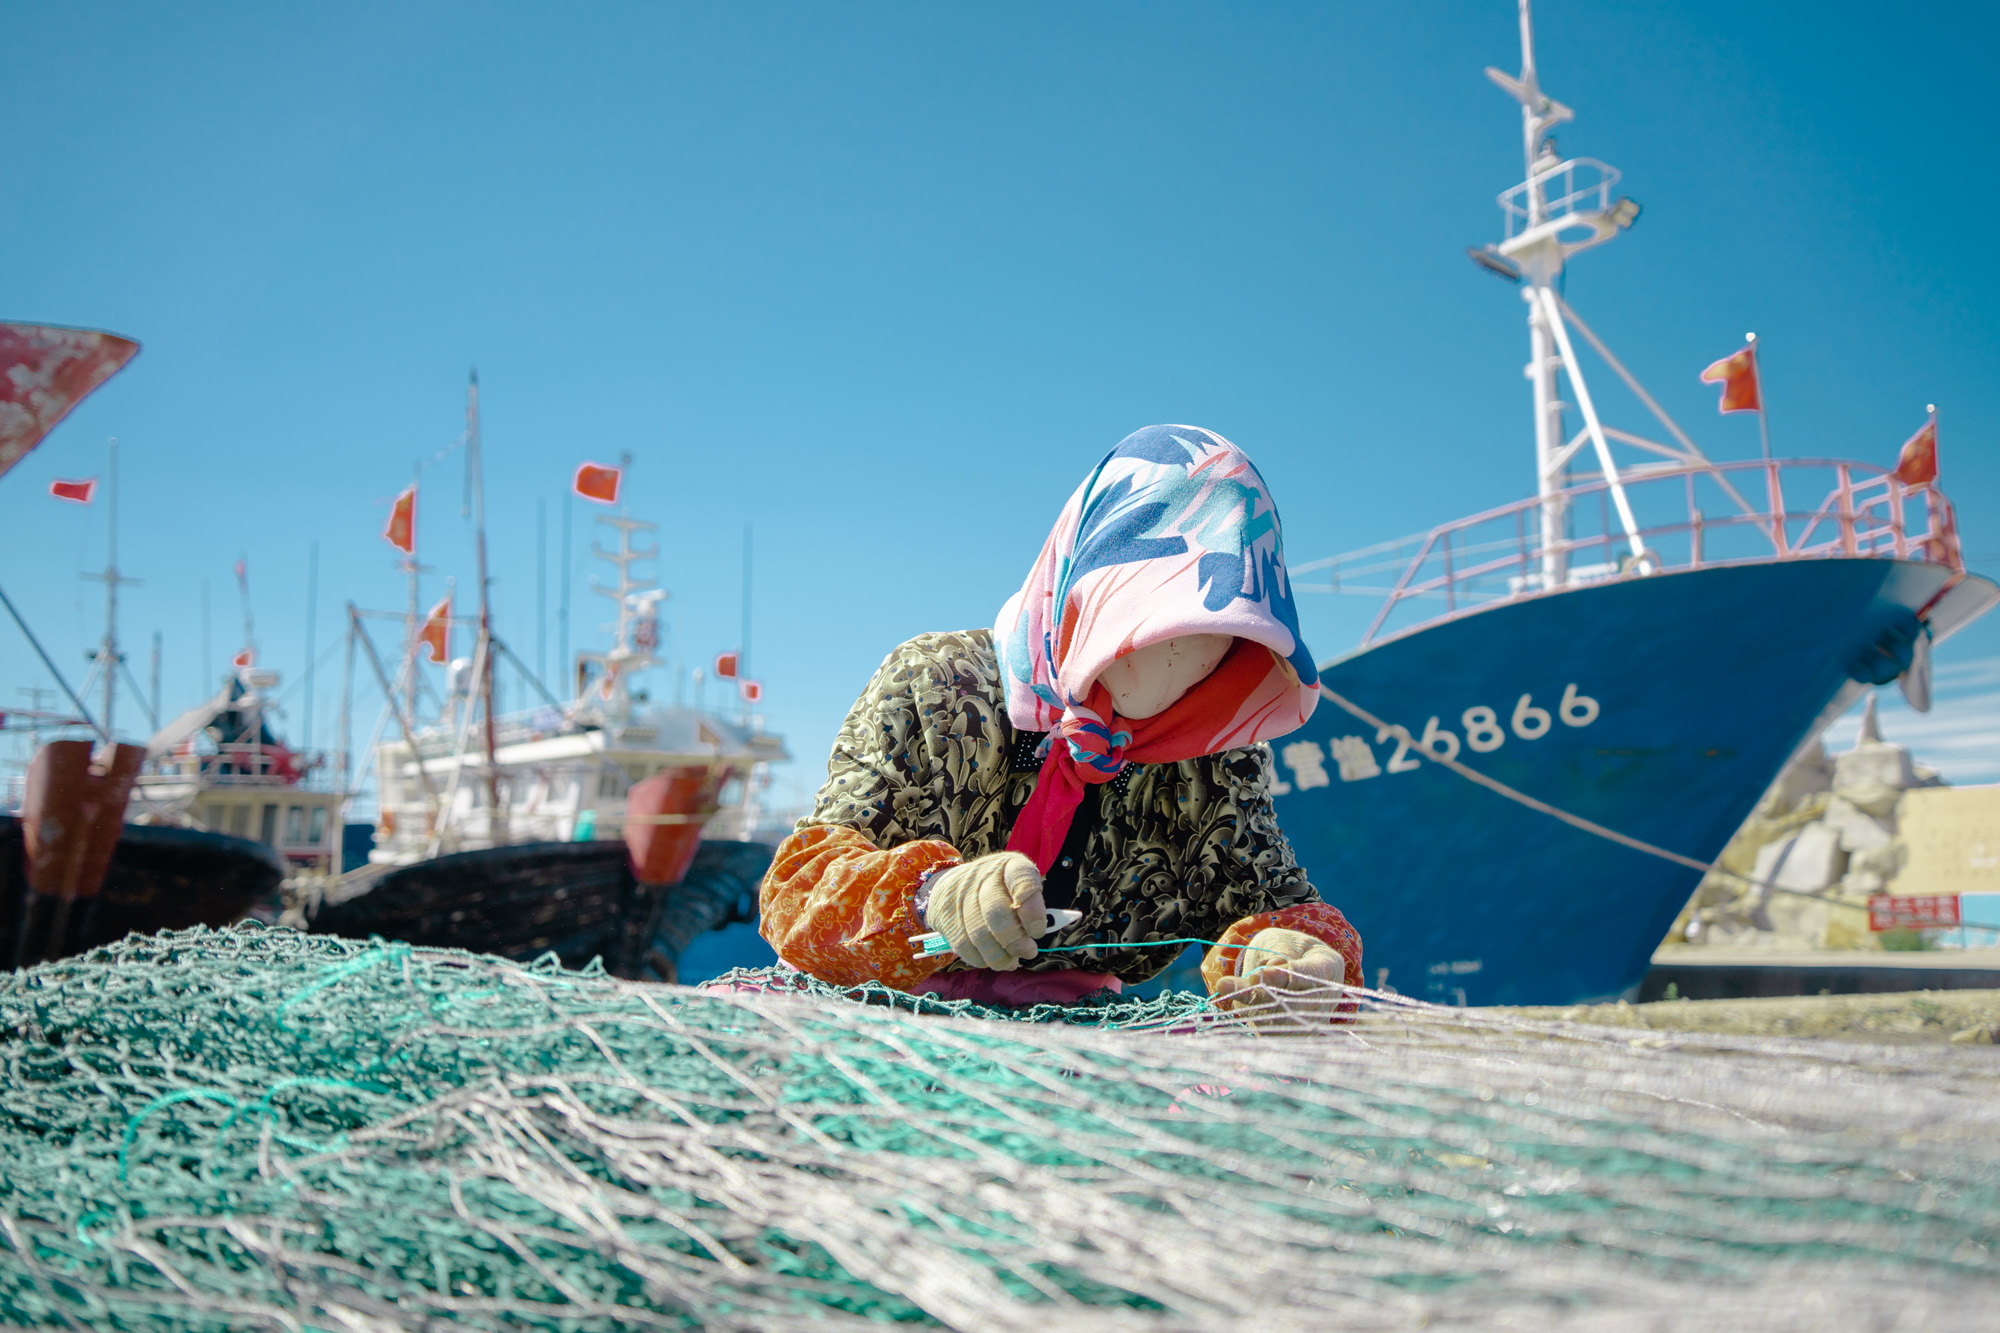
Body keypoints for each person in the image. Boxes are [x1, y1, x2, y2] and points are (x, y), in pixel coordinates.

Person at [759, 424, 1360, 1022]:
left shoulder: (1222, 753)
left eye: (1219, 633)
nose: (1179, 655)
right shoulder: (937, 684)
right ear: (1085, 588)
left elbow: (1274, 905)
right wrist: (932, 900)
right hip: (869, 1021)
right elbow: (798, 889)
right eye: (1154, 615)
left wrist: (1295, 956)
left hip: (1078, 1044)